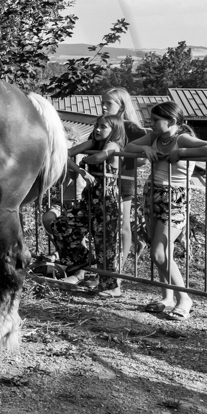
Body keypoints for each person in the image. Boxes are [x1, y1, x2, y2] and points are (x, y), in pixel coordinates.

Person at [115, 99, 207, 320]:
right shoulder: (155, 137)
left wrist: (181, 152)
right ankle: (167, 298)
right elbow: (128, 148)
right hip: (152, 194)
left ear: (171, 121)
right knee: (164, 252)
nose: (150, 123)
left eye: (155, 120)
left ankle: (185, 299)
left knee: (158, 252)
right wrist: (144, 147)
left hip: (175, 198)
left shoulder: (181, 138)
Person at [47, 113, 126, 292]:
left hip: (107, 200)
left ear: (114, 130)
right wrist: (80, 171)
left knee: (105, 243)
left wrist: (84, 160)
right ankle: (83, 259)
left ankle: (112, 287)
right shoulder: (93, 142)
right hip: (89, 198)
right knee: (62, 224)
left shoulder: (114, 144)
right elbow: (65, 154)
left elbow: (98, 158)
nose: (98, 129)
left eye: (103, 126)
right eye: (97, 125)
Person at [98, 87, 146, 294]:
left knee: (122, 226)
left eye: (108, 103)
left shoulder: (132, 128)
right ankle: (105, 274)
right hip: (104, 181)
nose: (103, 107)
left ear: (121, 106)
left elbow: (144, 157)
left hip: (123, 182)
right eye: (103, 102)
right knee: (105, 228)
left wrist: (127, 161)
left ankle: (116, 276)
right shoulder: (105, 124)